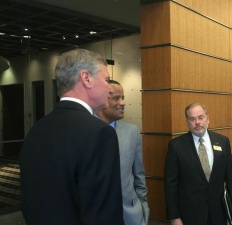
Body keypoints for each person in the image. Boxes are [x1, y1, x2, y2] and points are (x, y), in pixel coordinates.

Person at [20, 49, 124, 225]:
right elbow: (103, 213)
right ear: (86, 78)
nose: (109, 88)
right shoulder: (99, 133)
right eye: (106, 80)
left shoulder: (36, 130)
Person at [164, 103, 232, 225]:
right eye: (192, 119)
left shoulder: (222, 141)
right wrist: (174, 217)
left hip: (218, 212)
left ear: (207, 119)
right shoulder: (176, 147)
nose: (197, 122)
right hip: (190, 214)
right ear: (187, 122)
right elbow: (170, 185)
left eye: (201, 117)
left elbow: (231, 175)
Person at [96, 79, 149, 225]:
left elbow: (139, 175)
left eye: (123, 98)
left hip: (130, 216)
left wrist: (143, 209)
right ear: (101, 100)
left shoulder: (132, 132)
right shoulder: (85, 132)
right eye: (116, 98)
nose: (122, 103)